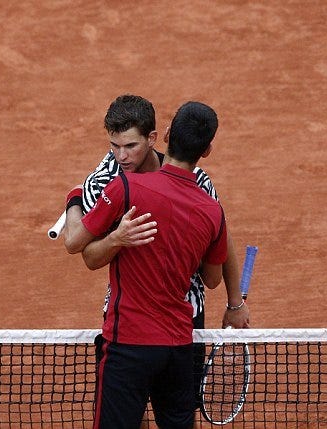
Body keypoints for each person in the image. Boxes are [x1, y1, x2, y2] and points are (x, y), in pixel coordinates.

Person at [72, 101, 228, 428]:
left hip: (129, 340)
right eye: (116, 146)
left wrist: (108, 232)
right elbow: (214, 272)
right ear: (208, 149)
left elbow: (81, 249)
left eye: (130, 146)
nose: (122, 155)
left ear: (162, 136)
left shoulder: (125, 188)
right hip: (178, 341)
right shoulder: (211, 209)